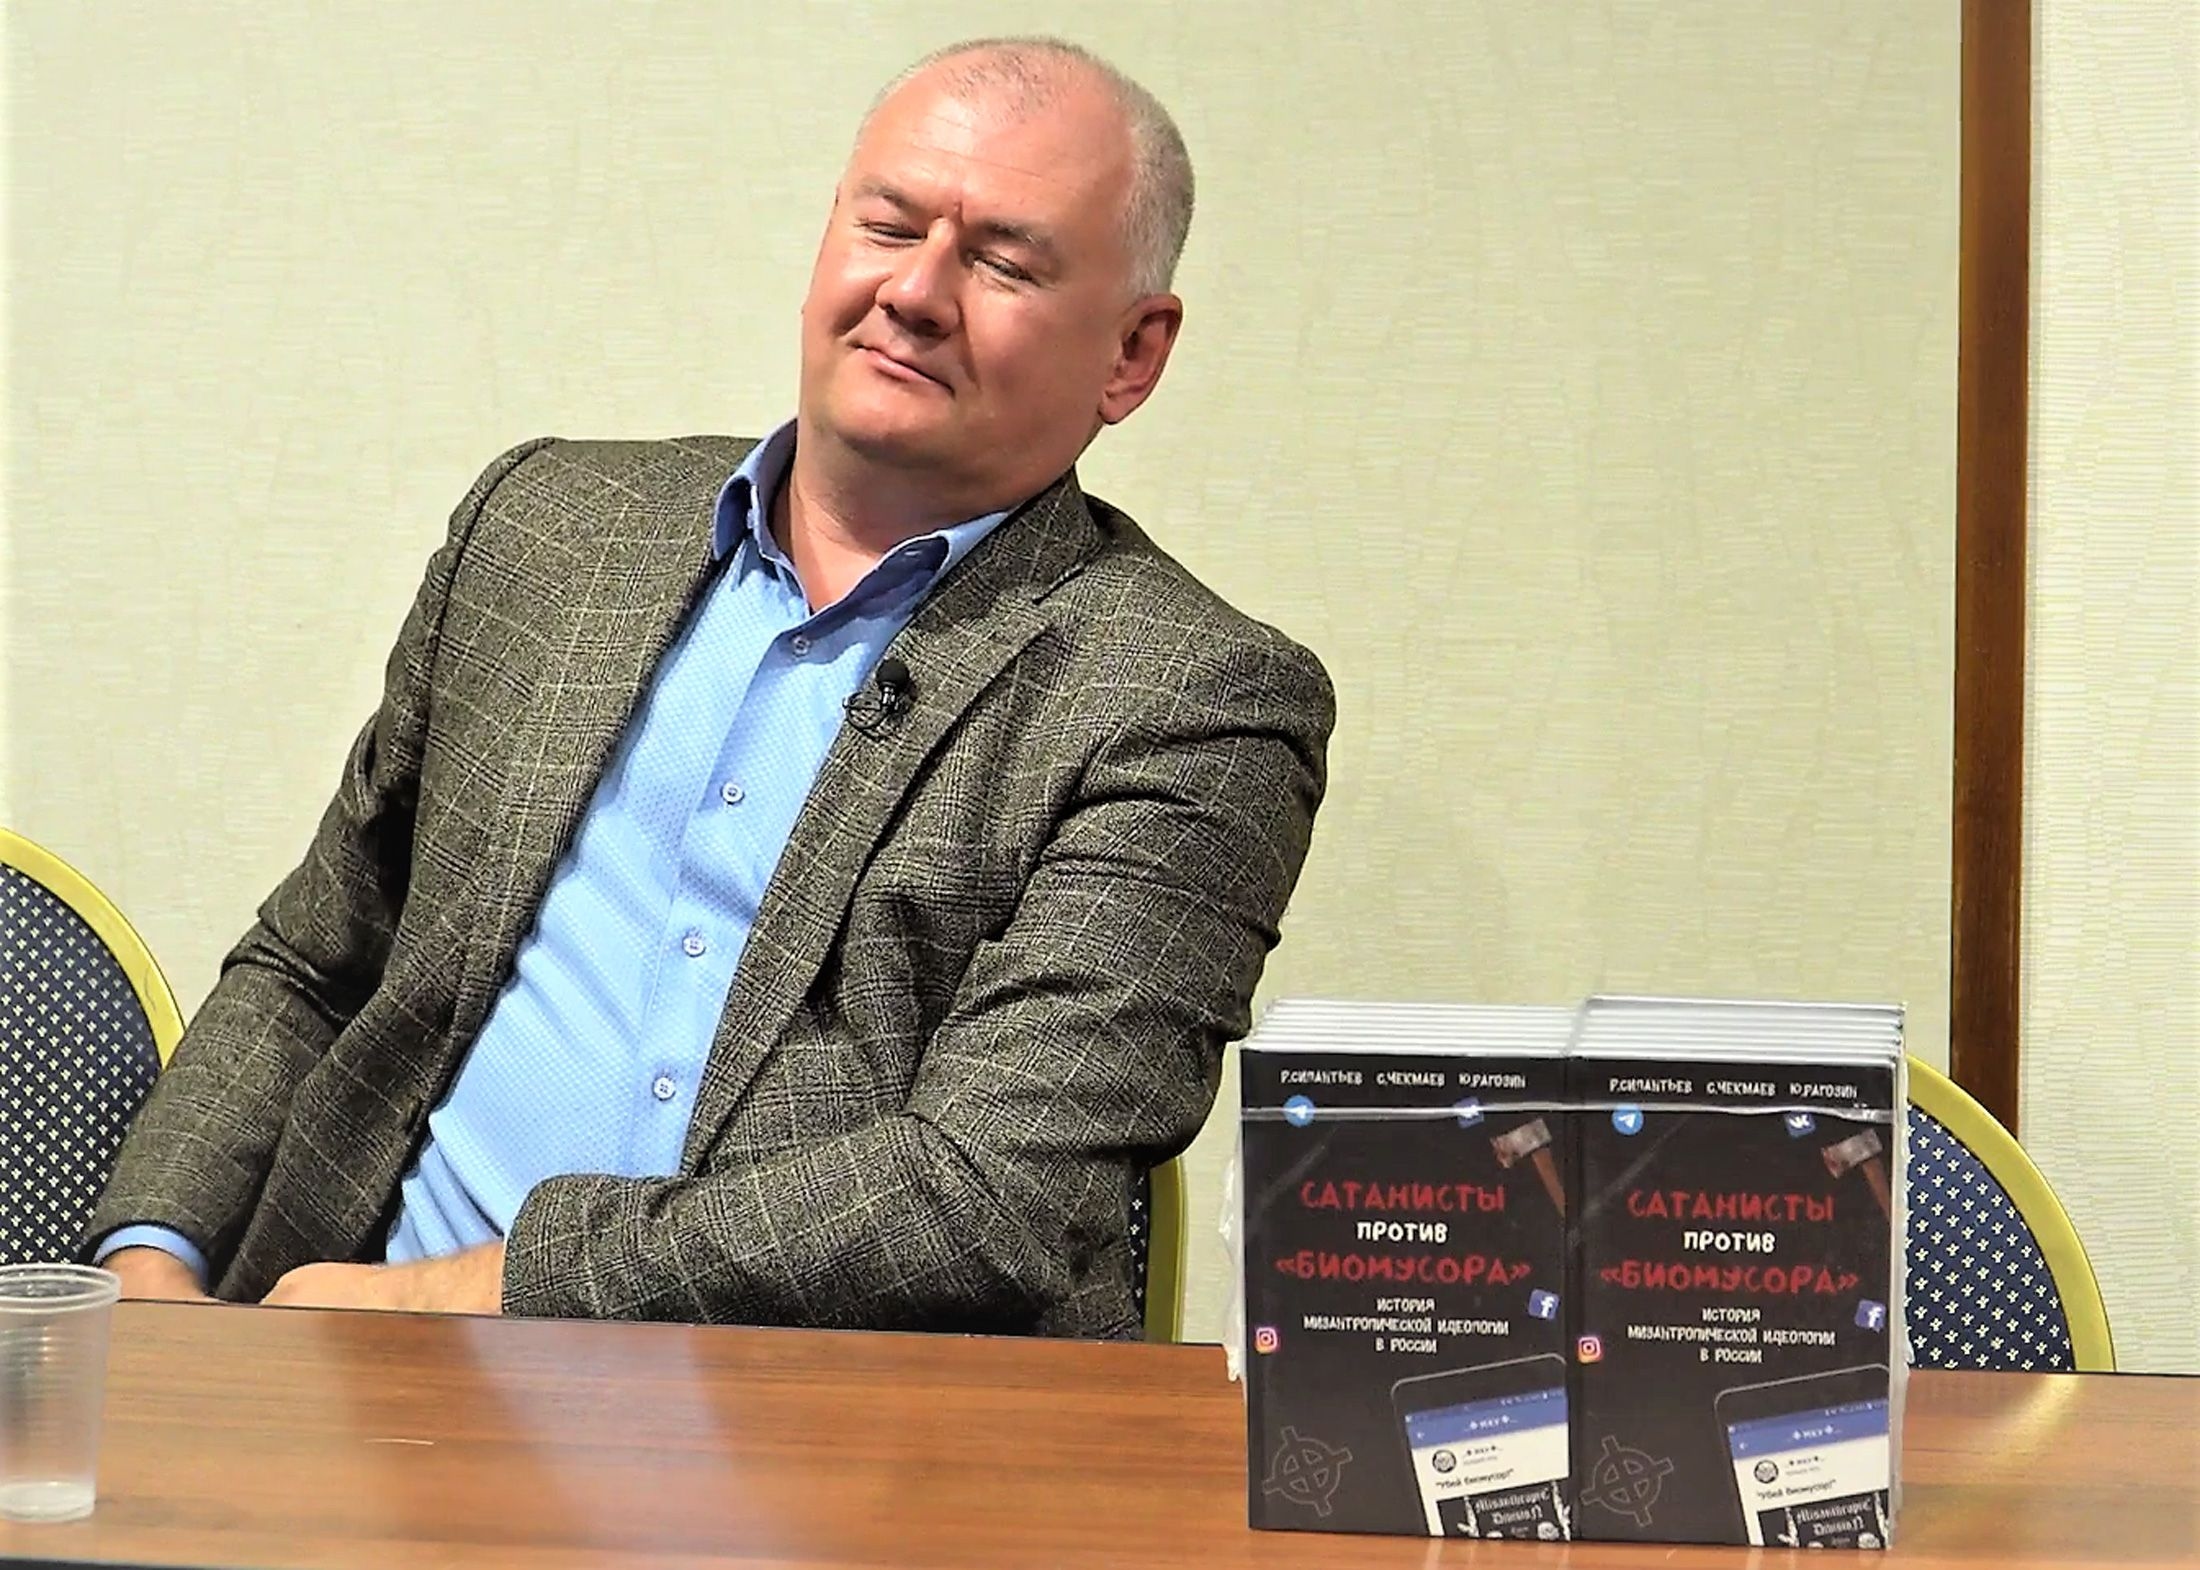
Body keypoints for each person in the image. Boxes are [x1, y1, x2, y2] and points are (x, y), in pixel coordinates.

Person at [87, 35, 1332, 1338]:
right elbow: (317, 954)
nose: (915, 292)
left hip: (833, 1451)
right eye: (889, 224)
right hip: (345, 1379)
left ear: (1132, 354)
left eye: (1002, 261)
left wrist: (484, 1287)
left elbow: (984, 1199)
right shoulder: (552, 528)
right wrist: (151, 1252)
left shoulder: (1196, 702)